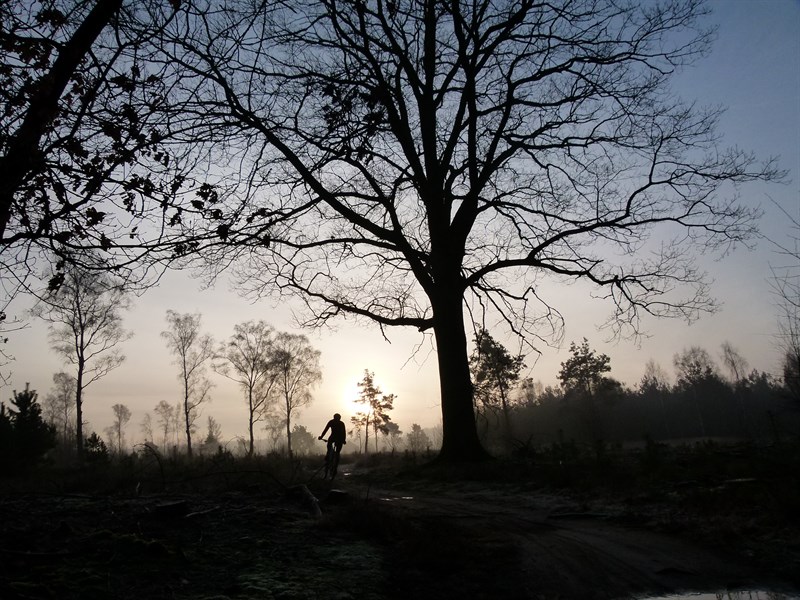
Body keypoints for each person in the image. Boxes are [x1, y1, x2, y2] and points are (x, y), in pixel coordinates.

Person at [319, 413, 346, 477]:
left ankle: (331, 458)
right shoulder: (340, 423)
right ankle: (332, 458)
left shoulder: (332, 422)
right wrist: (343, 440)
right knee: (335, 451)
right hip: (338, 438)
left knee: (334, 450)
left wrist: (321, 436)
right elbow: (344, 433)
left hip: (336, 438)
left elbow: (325, 430)